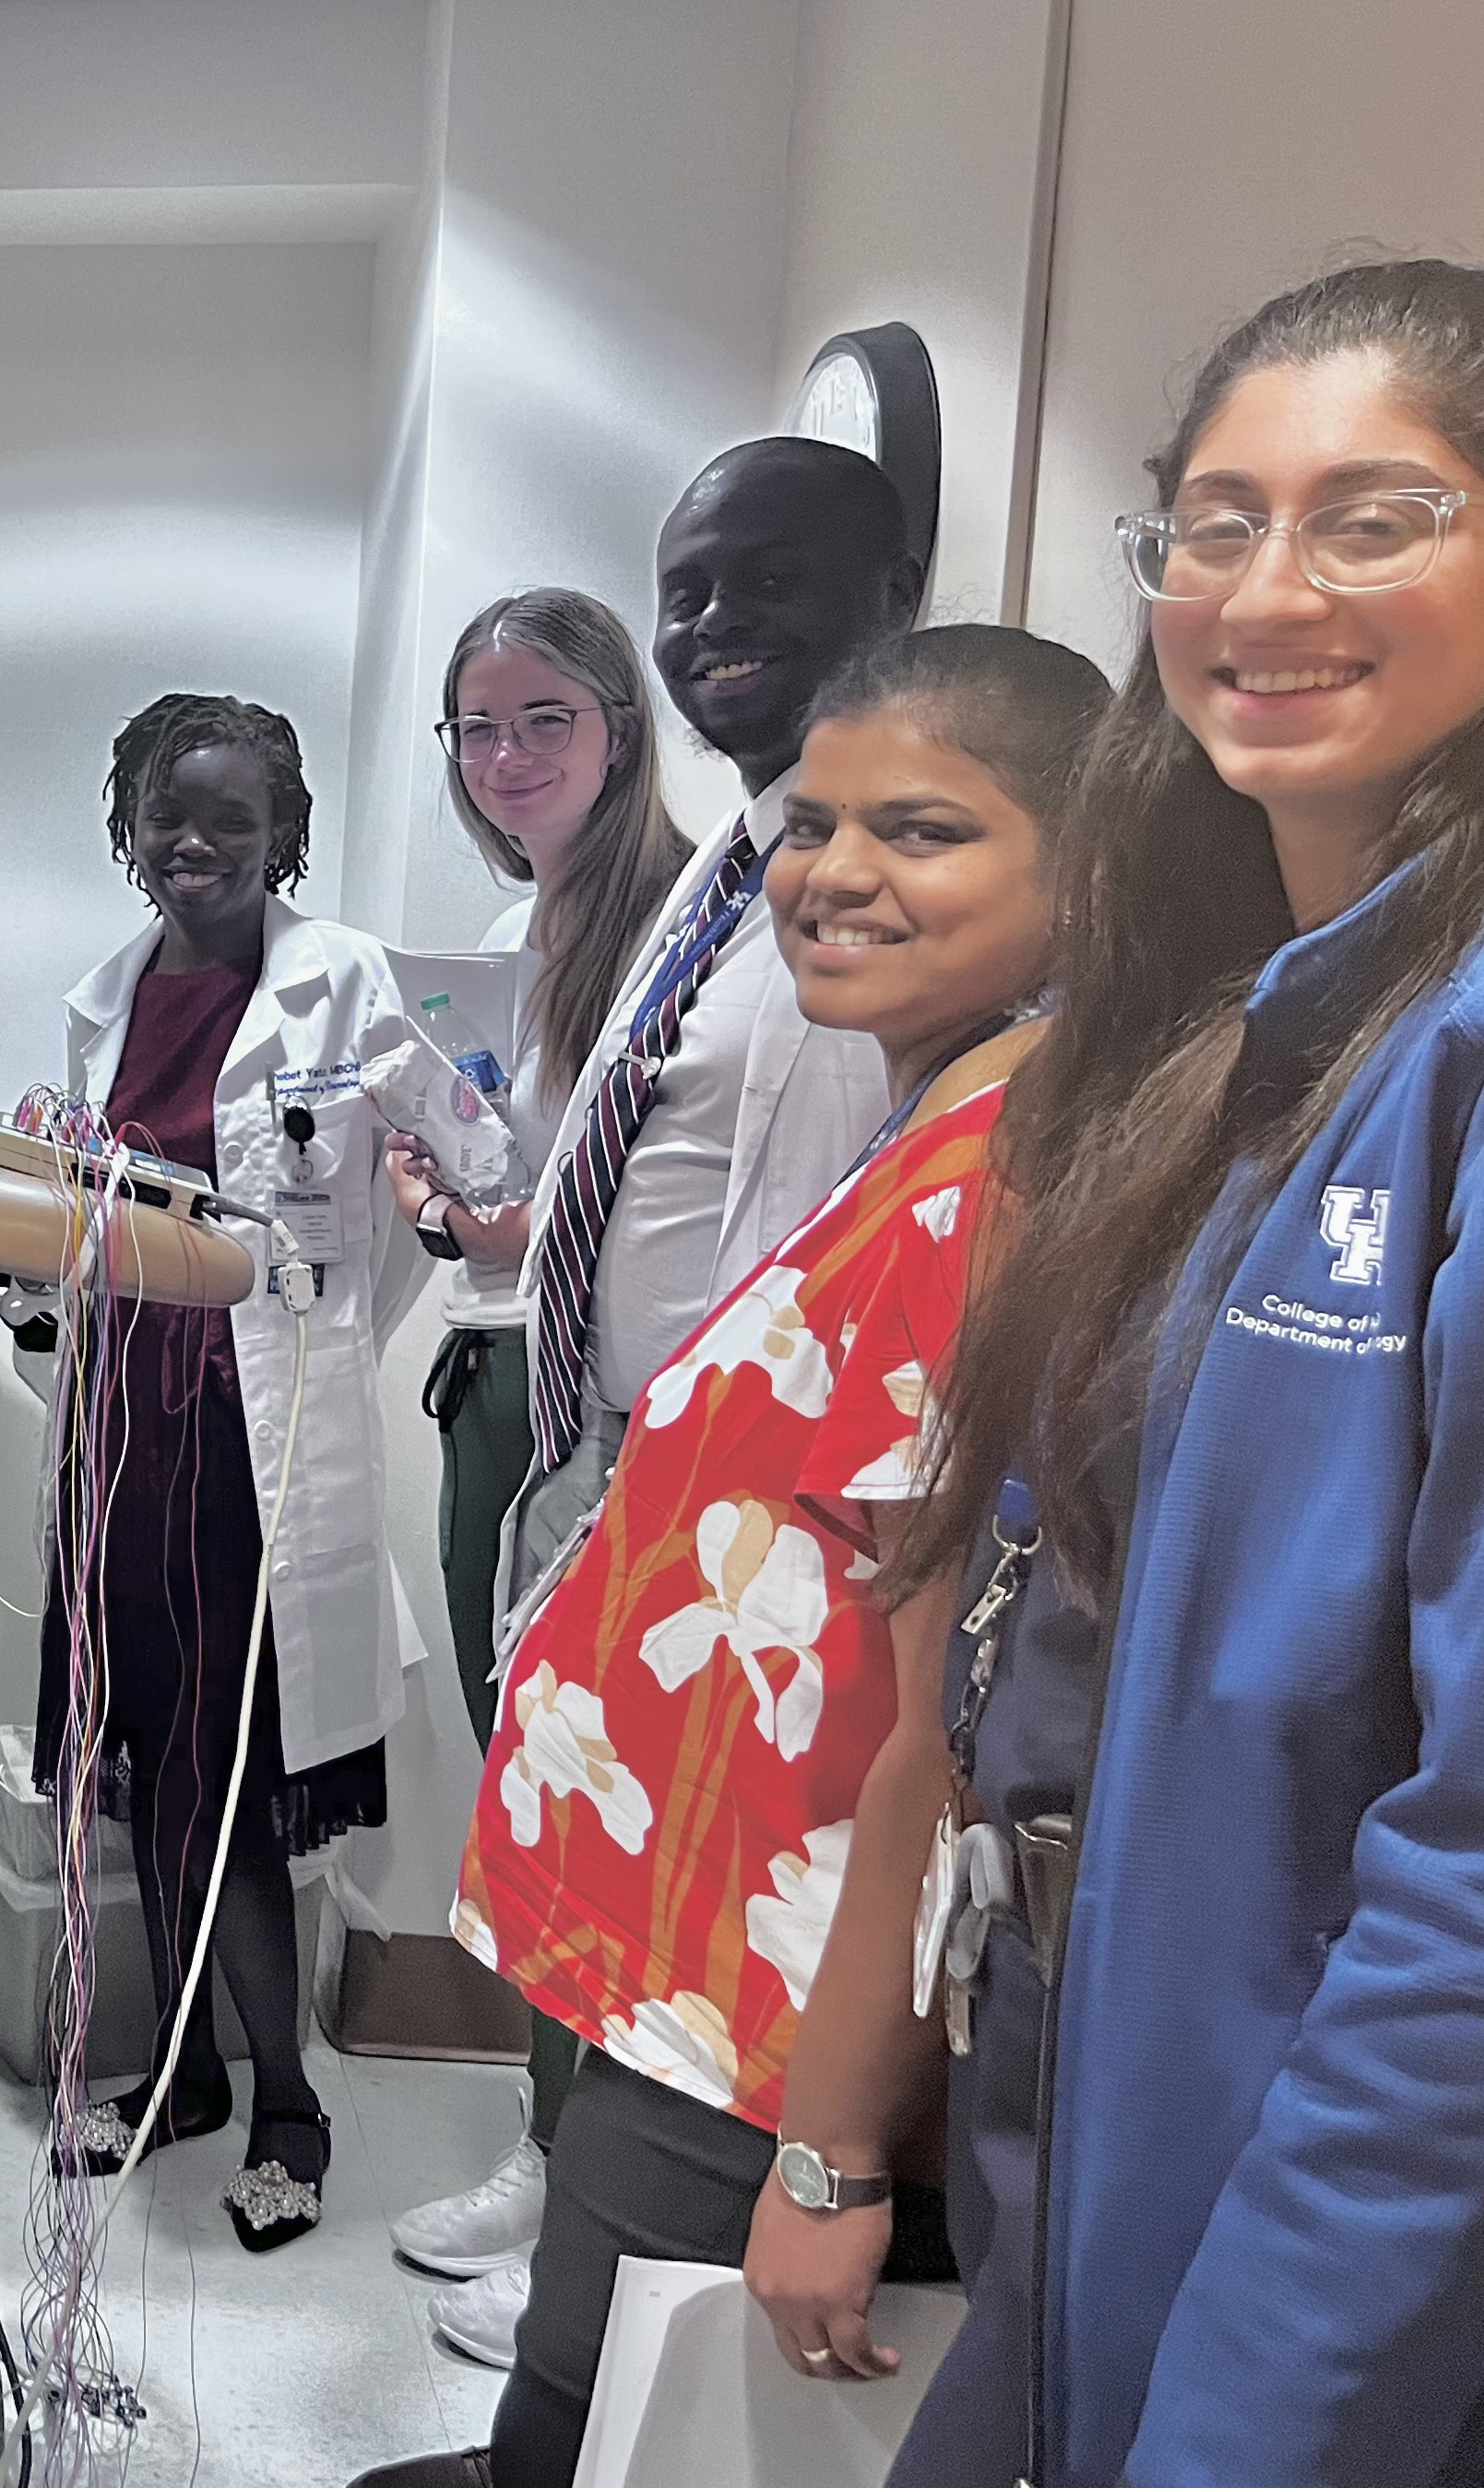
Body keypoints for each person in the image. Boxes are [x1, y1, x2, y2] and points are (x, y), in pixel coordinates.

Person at [832, 258, 1484, 2488]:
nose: (1269, 588)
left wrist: (1260, 2413)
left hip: (1320, 2193)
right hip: (1079, 2084)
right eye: (1215, 522)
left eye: (1373, 517)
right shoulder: (1230, 1036)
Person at [354, 623, 1104, 2488]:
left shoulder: (993, 1191)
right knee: (574, 2404)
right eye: (818, 826)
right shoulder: (928, 1126)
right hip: (691, 1973)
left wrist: (836, 2148)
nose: (837, 872)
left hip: (770, 2030)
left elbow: (952, 1723)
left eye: (923, 832)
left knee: (604, 2427)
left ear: (1087, 866)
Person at [396, 436, 919, 2367]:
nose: (714, 624)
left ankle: (610, 2281)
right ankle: (580, 2235)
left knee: (673, 1891)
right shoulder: (727, 858)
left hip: (737, 1495)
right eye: (686, 586)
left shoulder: (846, 869)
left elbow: (806, 1237)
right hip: (605, 1458)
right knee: (580, 1838)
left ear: (890, 586)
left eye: (756, 582)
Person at [39, 693, 430, 2251]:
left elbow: (427, 1192)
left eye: (230, 821)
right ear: (127, 826)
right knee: (137, 1760)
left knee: (237, 1790)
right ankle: (181, 2073)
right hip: (112, 1427)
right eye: (166, 815)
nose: (193, 843)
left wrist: (315, 1348)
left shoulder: (342, 984)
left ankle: (288, 2102)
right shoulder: (97, 1003)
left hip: (243, 1443)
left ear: (284, 839)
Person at [379, 590, 694, 2351]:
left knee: (601, 1795)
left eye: (541, 721)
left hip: (616, 1414)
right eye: (475, 731)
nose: (505, 761)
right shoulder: (526, 923)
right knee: (527, 1778)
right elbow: (533, 1184)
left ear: (618, 727)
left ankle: (591, 2208)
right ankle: (545, 2146)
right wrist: (447, 1205)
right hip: (498, 1376)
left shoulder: (687, 915)